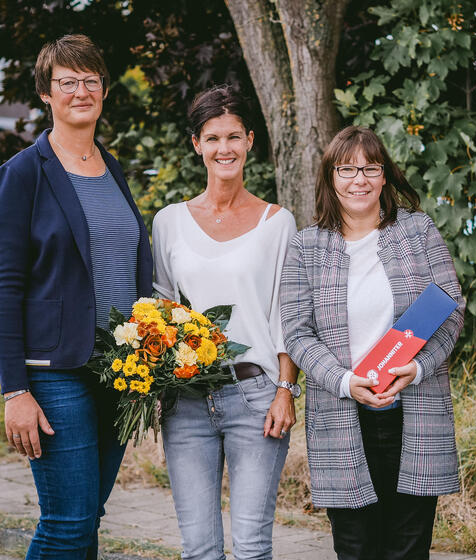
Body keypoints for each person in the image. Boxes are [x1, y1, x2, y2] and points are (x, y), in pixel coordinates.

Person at [0, 35, 153, 558]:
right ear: (45, 94)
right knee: (67, 522)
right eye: (67, 82)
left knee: (87, 519)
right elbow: (4, 290)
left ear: (103, 88)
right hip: (55, 373)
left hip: (118, 370)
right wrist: (15, 391)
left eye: (90, 80)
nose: (80, 91)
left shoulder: (111, 168)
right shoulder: (21, 174)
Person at [280, 126, 464, 560]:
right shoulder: (307, 246)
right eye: (346, 169)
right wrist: (345, 380)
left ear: (385, 176)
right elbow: (297, 332)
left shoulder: (417, 232)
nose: (358, 179)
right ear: (330, 177)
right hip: (342, 414)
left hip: (415, 410)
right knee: (356, 547)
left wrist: (417, 369)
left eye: (370, 168)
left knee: (409, 547)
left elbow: (451, 310)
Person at [152, 85, 299, 560]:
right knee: (198, 548)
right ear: (196, 144)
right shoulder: (169, 222)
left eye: (233, 137)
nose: (224, 149)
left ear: (250, 141)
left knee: (252, 546)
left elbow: (286, 314)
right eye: (212, 138)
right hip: (187, 400)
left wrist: (285, 391)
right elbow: (162, 311)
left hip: (256, 397)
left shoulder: (277, 223)